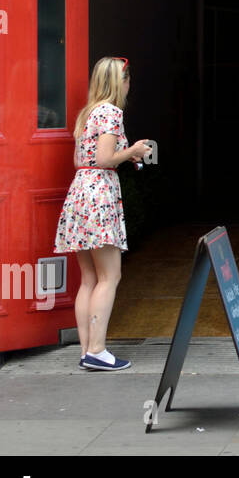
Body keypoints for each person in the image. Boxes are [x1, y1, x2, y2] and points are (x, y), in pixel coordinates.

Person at [54, 57, 152, 371]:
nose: (130, 85)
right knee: (110, 276)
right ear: (121, 82)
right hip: (100, 195)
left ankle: (87, 349)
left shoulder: (87, 114)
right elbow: (106, 159)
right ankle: (97, 351)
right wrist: (134, 151)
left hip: (80, 191)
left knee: (89, 279)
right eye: (128, 79)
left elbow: (81, 159)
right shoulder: (111, 112)